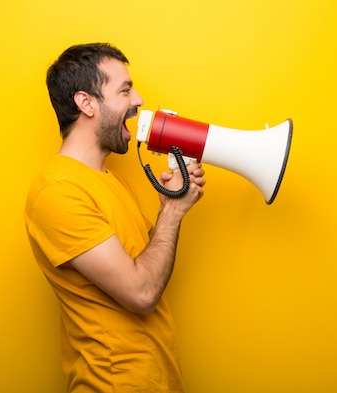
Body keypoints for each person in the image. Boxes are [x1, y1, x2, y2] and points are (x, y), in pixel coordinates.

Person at [24, 43, 205, 393]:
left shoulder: (113, 182)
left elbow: (150, 267)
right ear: (86, 103)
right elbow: (141, 292)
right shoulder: (57, 192)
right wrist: (172, 210)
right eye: (124, 89)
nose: (138, 99)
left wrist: (172, 204)